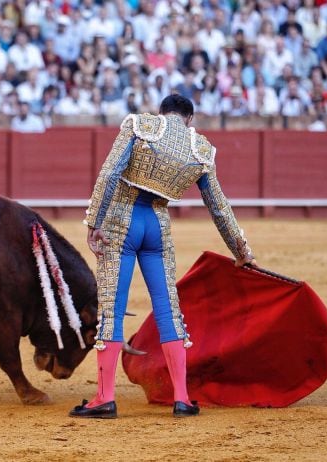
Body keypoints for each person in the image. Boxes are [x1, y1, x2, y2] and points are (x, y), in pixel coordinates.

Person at [69, 94, 256, 419]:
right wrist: (241, 251)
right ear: (189, 120)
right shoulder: (200, 148)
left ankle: (104, 398)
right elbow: (219, 207)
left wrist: (94, 222)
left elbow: (111, 173)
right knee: (169, 306)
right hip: (158, 224)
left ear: (163, 113)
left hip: (121, 220)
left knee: (112, 307)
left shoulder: (140, 125)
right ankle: (182, 398)